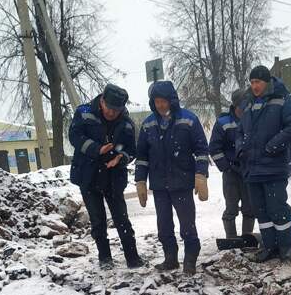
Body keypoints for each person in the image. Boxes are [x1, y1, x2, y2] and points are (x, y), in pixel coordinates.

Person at [135, 80, 209, 275]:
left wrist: (200, 175)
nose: (160, 105)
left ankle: (190, 259)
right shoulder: (148, 124)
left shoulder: (188, 120)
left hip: (182, 181)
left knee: (187, 224)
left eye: (164, 101)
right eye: (157, 101)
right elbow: (142, 156)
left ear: (172, 100)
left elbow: (202, 149)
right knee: (164, 225)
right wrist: (140, 181)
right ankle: (170, 258)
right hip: (159, 184)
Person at [69, 84, 143, 269]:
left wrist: (121, 157)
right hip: (88, 175)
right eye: (109, 108)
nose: (112, 113)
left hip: (114, 177)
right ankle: (105, 259)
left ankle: (132, 258)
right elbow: (74, 137)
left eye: (116, 110)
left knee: (121, 218)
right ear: (102, 100)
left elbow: (131, 150)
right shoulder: (84, 113)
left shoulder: (126, 123)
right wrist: (97, 149)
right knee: (97, 220)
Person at [237, 65, 291, 262]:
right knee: (261, 212)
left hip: (274, 167)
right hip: (253, 168)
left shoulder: (283, 99)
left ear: (267, 82)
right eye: (252, 82)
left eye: (258, 82)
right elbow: (240, 131)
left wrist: (273, 145)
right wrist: (241, 148)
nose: (254, 86)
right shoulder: (248, 103)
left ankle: (285, 246)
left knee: (277, 209)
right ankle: (269, 246)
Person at [209, 88, 255, 239]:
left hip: (248, 172)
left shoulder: (253, 120)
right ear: (235, 106)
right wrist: (226, 167)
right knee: (231, 207)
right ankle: (231, 238)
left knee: (249, 207)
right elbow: (214, 148)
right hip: (231, 173)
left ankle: (247, 237)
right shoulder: (223, 123)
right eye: (242, 106)